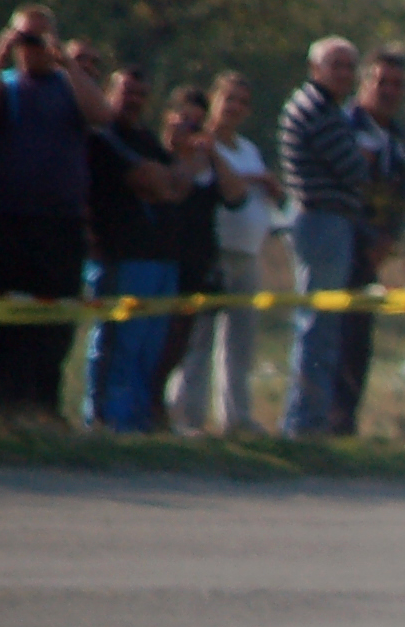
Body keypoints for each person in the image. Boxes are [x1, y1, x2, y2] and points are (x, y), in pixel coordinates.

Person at [0, 8, 113, 416]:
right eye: (25, 39)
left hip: (60, 223)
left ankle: (42, 403)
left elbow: (101, 115)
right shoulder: (5, 84)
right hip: (8, 218)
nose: (32, 48)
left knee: (54, 317)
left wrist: (67, 62)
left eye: (40, 39)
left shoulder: (69, 86)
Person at [82, 62, 199, 430]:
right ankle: (108, 421)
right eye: (127, 92)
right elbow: (150, 180)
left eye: (141, 95)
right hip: (122, 255)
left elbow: (179, 185)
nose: (133, 100)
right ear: (109, 93)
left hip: (161, 257)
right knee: (120, 345)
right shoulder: (103, 138)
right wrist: (164, 181)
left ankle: (137, 422)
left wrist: (177, 162)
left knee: (151, 347)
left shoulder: (147, 139)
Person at [274, 38, 371, 436]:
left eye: (350, 66)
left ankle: (311, 417)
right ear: (315, 69)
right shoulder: (315, 109)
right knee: (319, 326)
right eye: (336, 65)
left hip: (328, 220)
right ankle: (305, 422)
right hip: (321, 220)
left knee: (323, 325)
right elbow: (354, 169)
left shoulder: (331, 110)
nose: (344, 74)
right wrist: (363, 161)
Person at [168, 75, 276, 431]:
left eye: (242, 101)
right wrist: (256, 179)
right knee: (198, 340)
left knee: (240, 343)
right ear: (214, 100)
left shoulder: (248, 149)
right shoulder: (202, 144)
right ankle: (187, 415)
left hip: (248, 253)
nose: (235, 107)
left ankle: (236, 417)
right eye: (229, 99)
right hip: (213, 252)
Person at [329, 50, 405, 435]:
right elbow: (343, 188)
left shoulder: (396, 135)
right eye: (382, 82)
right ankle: (321, 421)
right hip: (341, 244)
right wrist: (365, 237)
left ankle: (345, 421)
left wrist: (388, 239)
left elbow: (403, 193)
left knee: (358, 339)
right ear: (364, 83)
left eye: (397, 84)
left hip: (372, 252)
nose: (389, 91)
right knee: (333, 335)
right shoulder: (345, 126)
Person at [148, 85, 241, 431]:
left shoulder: (209, 161)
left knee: (181, 343)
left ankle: (162, 410)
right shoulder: (158, 155)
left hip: (197, 260)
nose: (190, 129)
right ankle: (146, 406)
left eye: (197, 123)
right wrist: (177, 153)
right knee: (156, 340)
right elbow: (170, 193)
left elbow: (237, 196)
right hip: (162, 258)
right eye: (184, 120)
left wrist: (213, 153)